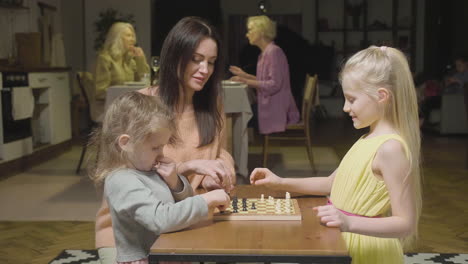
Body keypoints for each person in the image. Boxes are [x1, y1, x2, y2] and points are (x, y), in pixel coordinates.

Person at [249, 46, 422, 264]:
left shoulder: (390, 149)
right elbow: (331, 183)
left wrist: (349, 223)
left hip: (366, 248)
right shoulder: (367, 139)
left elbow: (405, 223)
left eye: (351, 99)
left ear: (382, 96)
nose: (344, 108)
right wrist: (280, 182)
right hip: (344, 241)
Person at [95, 17, 236, 264]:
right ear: (174, 56)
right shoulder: (141, 107)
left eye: (211, 62)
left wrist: (222, 169)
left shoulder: (213, 107)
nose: (205, 70)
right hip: (132, 238)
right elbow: (128, 177)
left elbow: (220, 150)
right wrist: (190, 166)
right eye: (196, 59)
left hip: (183, 221)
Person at [90, 91, 230, 264]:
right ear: (125, 143)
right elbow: (160, 219)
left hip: (163, 252)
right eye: (155, 147)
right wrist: (206, 200)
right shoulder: (121, 180)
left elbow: (184, 203)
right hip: (144, 259)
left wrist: (175, 183)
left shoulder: (146, 169)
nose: (161, 154)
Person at [229, 15, 300, 135]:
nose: (247, 34)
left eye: (250, 30)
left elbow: (274, 84)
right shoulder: (265, 53)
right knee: (236, 113)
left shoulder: (274, 52)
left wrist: (245, 81)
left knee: (235, 116)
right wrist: (244, 75)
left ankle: (237, 152)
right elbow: (264, 80)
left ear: (261, 32)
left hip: (276, 109)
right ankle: (238, 152)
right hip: (271, 105)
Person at [94, 22, 150, 101]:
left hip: (125, 104)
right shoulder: (105, 59)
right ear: (117, 38)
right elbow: (100, 92)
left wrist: (141, 59)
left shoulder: (130, 61)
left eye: (133, 36)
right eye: (128, 36)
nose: (133, 39)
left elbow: (144, 82)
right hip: (107, 106)